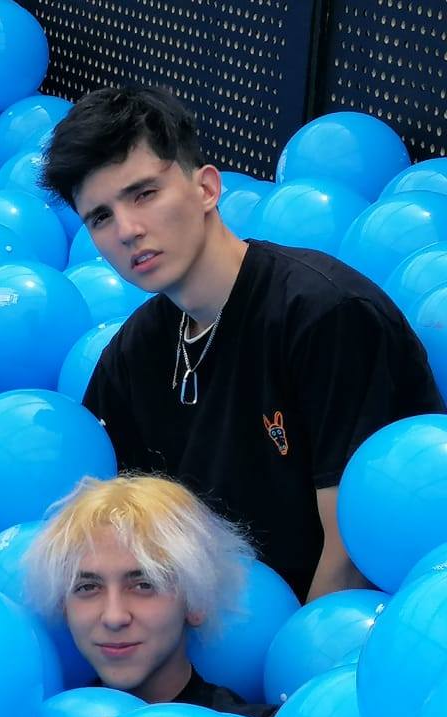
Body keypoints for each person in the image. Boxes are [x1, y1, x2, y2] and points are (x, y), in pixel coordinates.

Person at [39, 85, 445, 603]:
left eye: (144, 194)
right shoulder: (134, 352)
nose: (128, 230)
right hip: (203, 631)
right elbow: (101, 532)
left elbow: (353, 555)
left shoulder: (325, 316)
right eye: (101, 217)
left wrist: (289, 653)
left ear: (207, 188)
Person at [23, 474, 276, 717]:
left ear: (196, 601)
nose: (114, 617)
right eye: (88, 587)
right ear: (63, 605)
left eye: (144, 585)